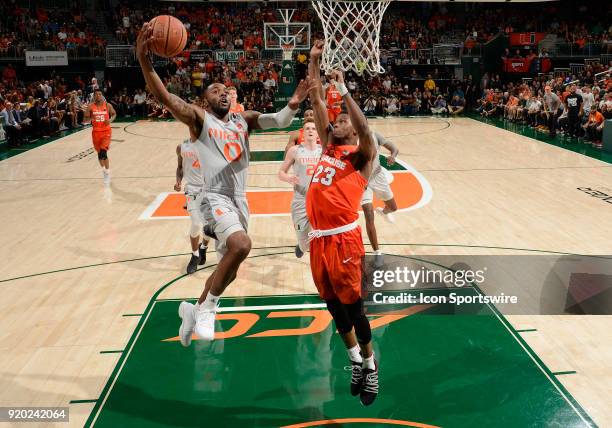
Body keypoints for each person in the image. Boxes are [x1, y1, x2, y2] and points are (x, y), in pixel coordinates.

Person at [136, 21, 312, 345]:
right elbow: (163, 96)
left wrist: (294, 103)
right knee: (242, 245)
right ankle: (208, 307)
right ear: (205, 102)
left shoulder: (243, 120)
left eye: (225, 89)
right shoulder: (199, 120)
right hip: (212, 196)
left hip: (239, 199)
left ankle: (195, 309)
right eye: (214, 90)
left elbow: (277, 121)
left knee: (230, 269)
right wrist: (143, 58)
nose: (222, 92)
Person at [306, 40, 379, 406]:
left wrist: (345, 90)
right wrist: (315, 62)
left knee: (355, 310)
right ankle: (354, 361)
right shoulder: (327, 147)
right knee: (334, 308)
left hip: (344, 241)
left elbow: (366, 129)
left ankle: (371, 364)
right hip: (318, 241)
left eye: (342, 121)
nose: (337, 121)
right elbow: (317, 100)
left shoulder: (361, 156)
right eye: (336, 121)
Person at [278, 120, 322, 258]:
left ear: (317, 134)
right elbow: (281, 172)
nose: (310, 131)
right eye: (307, 128)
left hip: (320, 200)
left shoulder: (324, 151)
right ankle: (301, 246)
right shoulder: (295, 150)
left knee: (322, 236)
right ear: (303, 132)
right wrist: (288, 178)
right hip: (300, 199)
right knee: (304, 242)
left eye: (313, 128)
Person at [360, 131, 399, 269]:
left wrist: (392, 156)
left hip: (377, 176)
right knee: (369, 215)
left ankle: (384, 212)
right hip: (361, 180)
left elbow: (394, 148)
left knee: (394, 207)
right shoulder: (349, 138)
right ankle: (377, 252)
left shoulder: (374, 135)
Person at [174, 139, 210, 274]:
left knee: (210, 227)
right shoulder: (181, 147)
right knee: (196, 223)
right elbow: (180, 167)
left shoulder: (211, 145)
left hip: (209, 189)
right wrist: (178, 181)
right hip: (192, 190)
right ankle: (195, 255)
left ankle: (204, 248)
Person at [84, 89, 116, 185]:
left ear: (102, 95)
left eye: (100, 94)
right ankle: (104, 171)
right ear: (94, 96)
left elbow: (114, 114)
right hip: (96, 132)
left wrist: (110, 120)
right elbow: (85, 120)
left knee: (103, 152)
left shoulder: (107, 105)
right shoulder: (90, 107)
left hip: (106, 131)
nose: (98, 95)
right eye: (96, 94)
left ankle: (107, 172)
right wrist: (90, 118)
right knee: (99, 154)